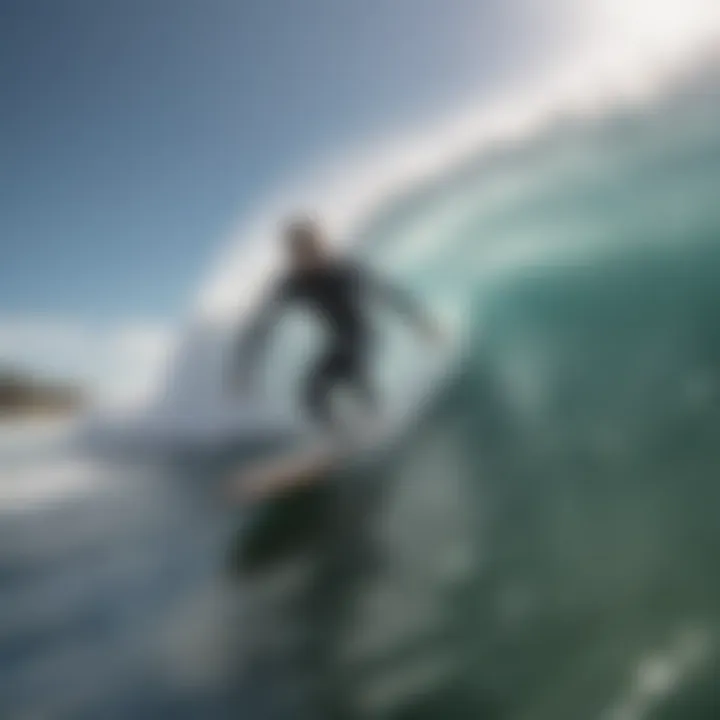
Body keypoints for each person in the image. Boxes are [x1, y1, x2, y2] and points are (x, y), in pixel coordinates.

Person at [233, 215, 441, 436]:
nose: (309, 254)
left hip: (362, 334)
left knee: (350, 373)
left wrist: (420, 321)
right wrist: (244, 368)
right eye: (300, 250)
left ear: (319, 244)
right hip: (337, 340)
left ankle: (377, 421)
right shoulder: (293, 284)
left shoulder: (342, 271)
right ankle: (341, 435)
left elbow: (385, 292)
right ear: (293, 255)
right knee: (311, 394)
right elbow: (263, 326)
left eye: (312, 246)